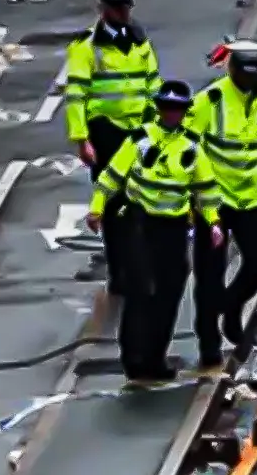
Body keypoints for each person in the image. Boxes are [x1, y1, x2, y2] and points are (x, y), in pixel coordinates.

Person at [86, 81, 223, 385]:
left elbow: (205, 189)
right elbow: (111, 176)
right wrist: (97, 208)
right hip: (140, 223)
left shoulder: (191, 146)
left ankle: (155, 358)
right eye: (167, 108)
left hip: (173, 229)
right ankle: (134, 359)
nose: (172, 114)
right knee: (139, 289)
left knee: (169, 293)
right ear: (159, 109)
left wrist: (213, 222)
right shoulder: (140, 140)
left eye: (178, 109)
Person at [188, 40, 257, 365]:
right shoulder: (210, 100)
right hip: (213, 199)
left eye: (254, 77)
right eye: (243, 76)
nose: (249, 83)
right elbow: (188, 146)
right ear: (232, 71)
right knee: (209, 274)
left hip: (250, 196)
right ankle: (208, 342)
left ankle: (231, 307)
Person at [65, 0, 162, 293]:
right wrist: (82, 139)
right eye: (117, 8)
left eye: (126, 7)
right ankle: (122, 274)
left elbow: (153, 84)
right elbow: (76, 96)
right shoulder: (87, 47)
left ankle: (140, 269)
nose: (123, 12)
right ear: (104, 10)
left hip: (138, 130)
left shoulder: (139, 42)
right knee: (114, 205)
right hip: (106, 131)